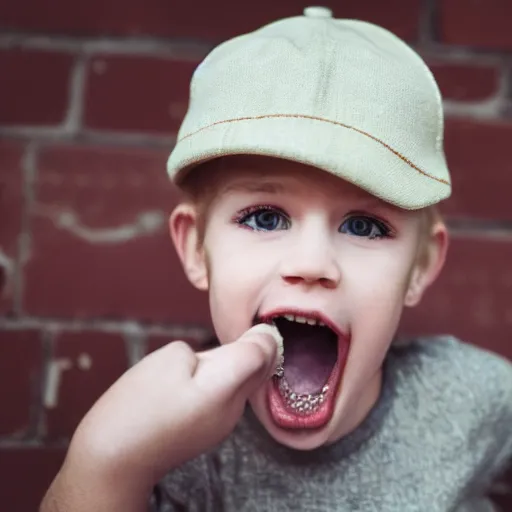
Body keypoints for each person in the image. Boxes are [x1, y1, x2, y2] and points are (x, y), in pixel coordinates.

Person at [41, 7, 512, 511]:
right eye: (265, 218)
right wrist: (107, 463)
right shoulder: (172, 447)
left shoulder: (469, 397)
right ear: (196, 249)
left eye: (364, 225)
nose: (311, 263)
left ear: (419, 268)